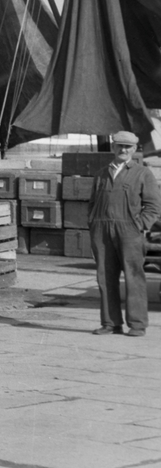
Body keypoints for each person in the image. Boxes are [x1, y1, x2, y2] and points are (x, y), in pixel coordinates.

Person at [89, 130, 161, 336]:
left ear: (134, 149)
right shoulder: (102, 173)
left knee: (133, 276)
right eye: (119, 146)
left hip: (130, 231)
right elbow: (92, 203)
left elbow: (154, 207)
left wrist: (139, 225)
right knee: (104, 276)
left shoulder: (142, 173)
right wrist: (93, 224)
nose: (123, 150)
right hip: (102, 231)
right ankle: (111, 323)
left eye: (127, 147)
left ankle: (137, 324)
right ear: (113, 147)